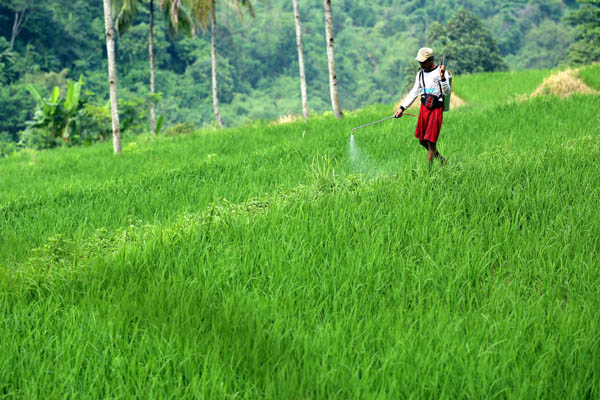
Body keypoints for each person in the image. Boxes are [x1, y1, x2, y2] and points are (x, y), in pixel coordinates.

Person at [395, 47, 450, 165]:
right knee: (422, 140)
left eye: (423, 62)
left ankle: (428, 173)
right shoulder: (420, 74)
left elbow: (446, 92)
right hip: (424, 108)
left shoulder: (441, 72)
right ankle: (442, 161)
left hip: (436, 108)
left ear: (431, 60)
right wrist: (402, 108)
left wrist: (443, 78)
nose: (421, 64)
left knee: (431, 142)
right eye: (420, 62)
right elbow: (414, 92)